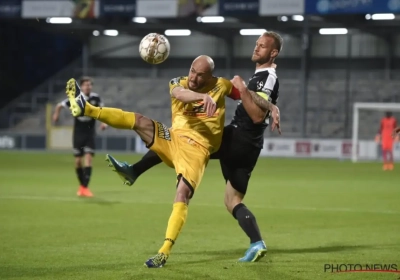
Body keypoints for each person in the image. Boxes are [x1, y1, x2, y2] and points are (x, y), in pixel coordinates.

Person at [106, 31, 283, 262]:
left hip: (239, 138)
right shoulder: (262, 75)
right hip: (248, 145)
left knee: (178, 139)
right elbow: (260, 105)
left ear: (273, 52)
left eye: (262, 46)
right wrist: (271, 106)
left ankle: (134, 171)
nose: (256, 48)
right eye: (256, 44)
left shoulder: (267, 76)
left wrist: (246, 90)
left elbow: (256, 116)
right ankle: (257, 242)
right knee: (232, 201)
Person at [64, 55, 250, 268]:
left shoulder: (220, 85)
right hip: (173, 139)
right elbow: (179, 93)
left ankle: (163, 252)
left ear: (210, 77)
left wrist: (243, 86)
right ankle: (86, 108)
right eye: (192, 71)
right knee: (140, 121)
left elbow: (243, 94)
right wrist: (200, 98)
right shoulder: (177, 83)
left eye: (200, 75)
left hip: (198, 151)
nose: (194, 78)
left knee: (182, 194)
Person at [53, 76, 107, 197]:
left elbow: (103, 111)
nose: (88, 87)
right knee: (78, 161)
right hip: (78, 133)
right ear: (81, 87)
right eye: (86, 85)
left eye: (89, 85)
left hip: (90, 132)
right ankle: (82, 186)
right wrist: (56, 115)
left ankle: (85, 187)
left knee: (88, 158)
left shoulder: (95, 98)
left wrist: (104, 123)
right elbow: (59, 105)